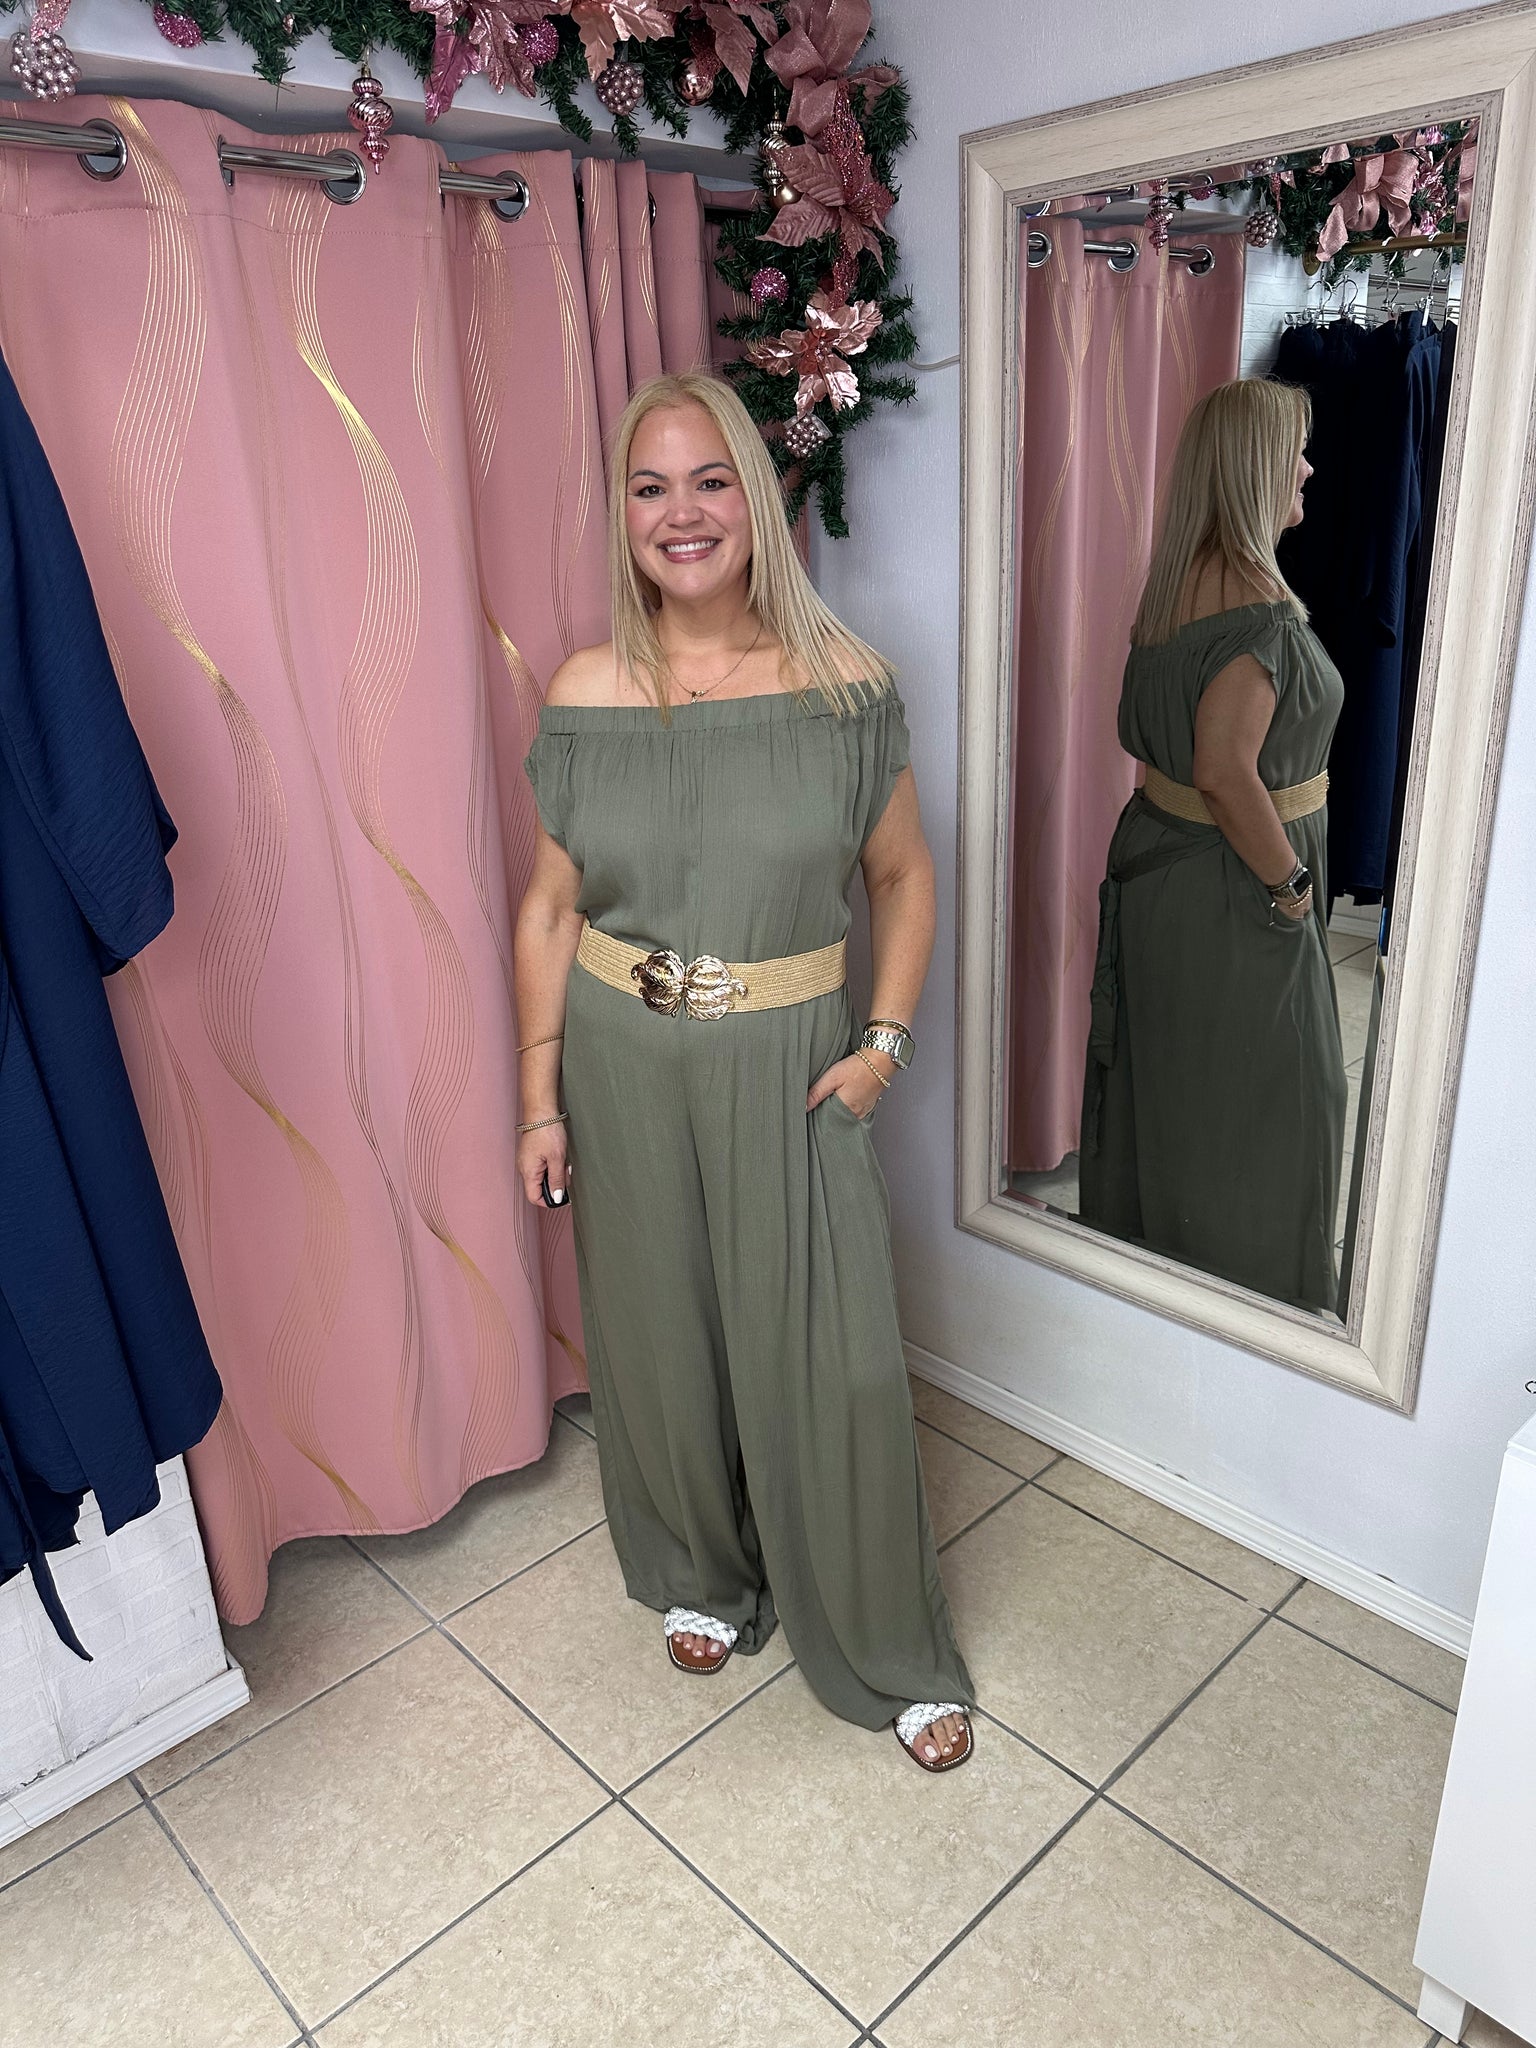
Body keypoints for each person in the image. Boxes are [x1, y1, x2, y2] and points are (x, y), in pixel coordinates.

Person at [514, 372, 975, 1771]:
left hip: (791, 1060)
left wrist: (882, 1047)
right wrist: (537, 1095)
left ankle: (883, 1639)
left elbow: (901, 877)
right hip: (620, 1056)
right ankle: (702, 1572)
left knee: (830, 1359)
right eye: (650, 487)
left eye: (711, 479)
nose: (683, 513)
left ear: (759, 499)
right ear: (623, 513)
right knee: (659, 1334)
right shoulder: (584, 689)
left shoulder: (845, 686)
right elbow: (550, 908)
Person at [1079, 377, 1348, 1313]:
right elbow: (1228, 774)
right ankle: (1255, 1303)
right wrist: (1290, 886)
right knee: (1284, 1096)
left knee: (1178, 1082)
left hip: (1163, 871)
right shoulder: (1258, 620)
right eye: (1294, 453)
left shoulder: (1173, 592)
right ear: (1252, 470)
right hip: (1233, 885)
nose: (1307, 469)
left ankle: (1166, 1281)